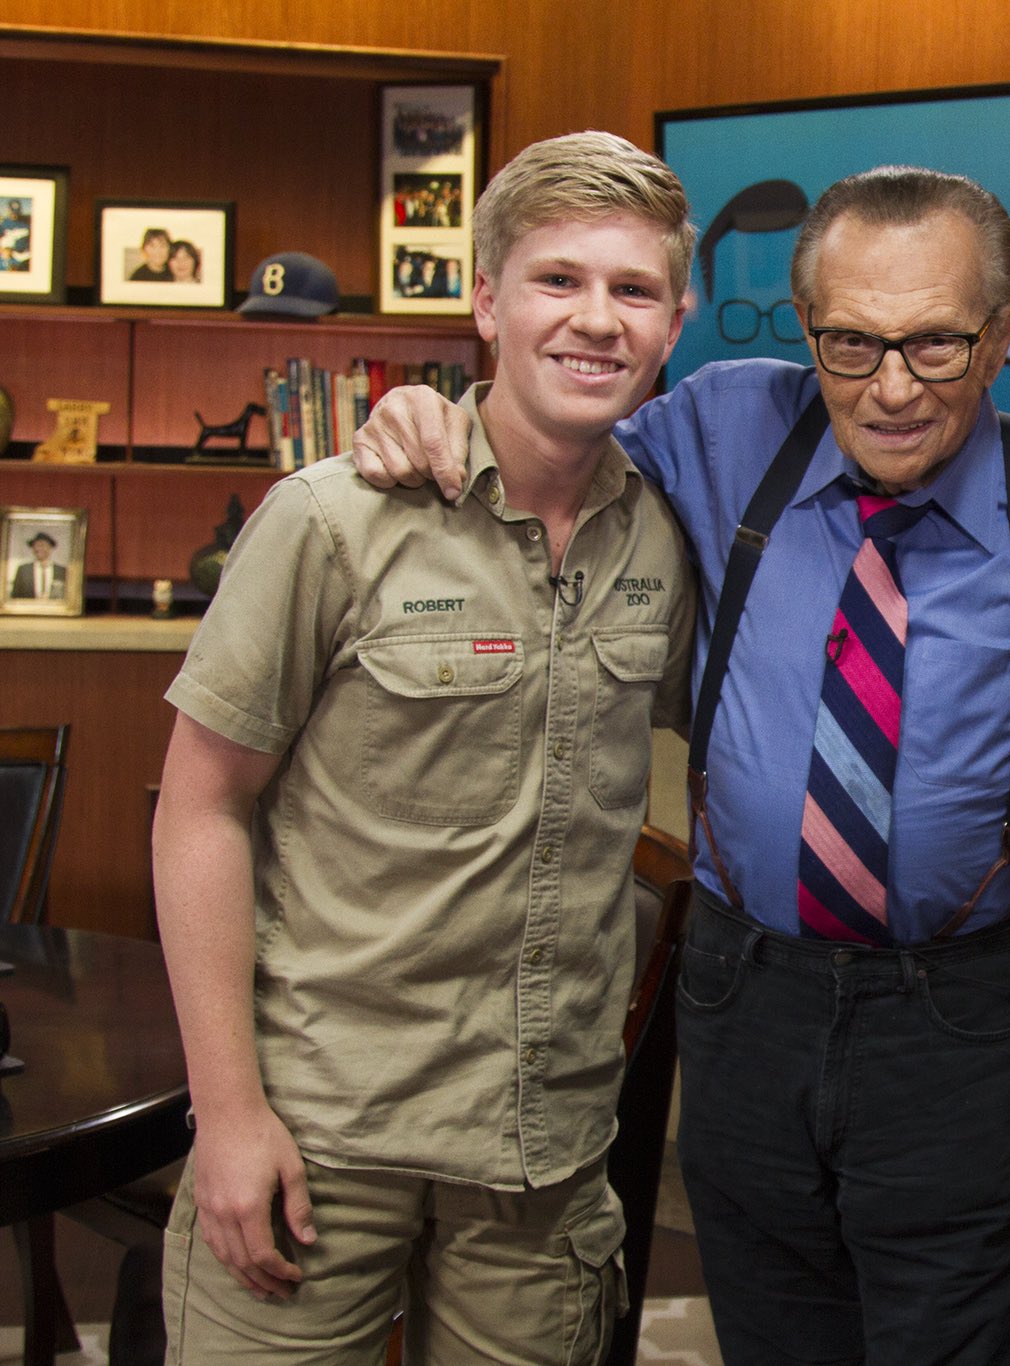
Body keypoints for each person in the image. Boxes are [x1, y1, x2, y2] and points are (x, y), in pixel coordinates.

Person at [352, 163, 1010, 1365]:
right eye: (849, 344)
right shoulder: (723, 426)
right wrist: (435, 410)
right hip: (741, 993)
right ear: (804, 327)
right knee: (770, 1331)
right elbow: (544, 440)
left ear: (1004, 333)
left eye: (934, 343)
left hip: (959, 1012)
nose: (888, 389)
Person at [151, 130, 696, 1362]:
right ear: (487, 299)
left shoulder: (669, 537)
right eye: (558, 279)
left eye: (633, 289)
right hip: (321, 1133)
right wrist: (228, 1113)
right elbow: (200, 809)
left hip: (540, 1159)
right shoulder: (333, 520)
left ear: (676, 320)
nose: (595, 320)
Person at [10, 530, 65, 599]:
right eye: (36, 546)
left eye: (43, 545)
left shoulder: (61, 571)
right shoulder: (23, 570)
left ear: (50, 548)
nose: (39, 548)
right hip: (27, 608)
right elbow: (15, 596)